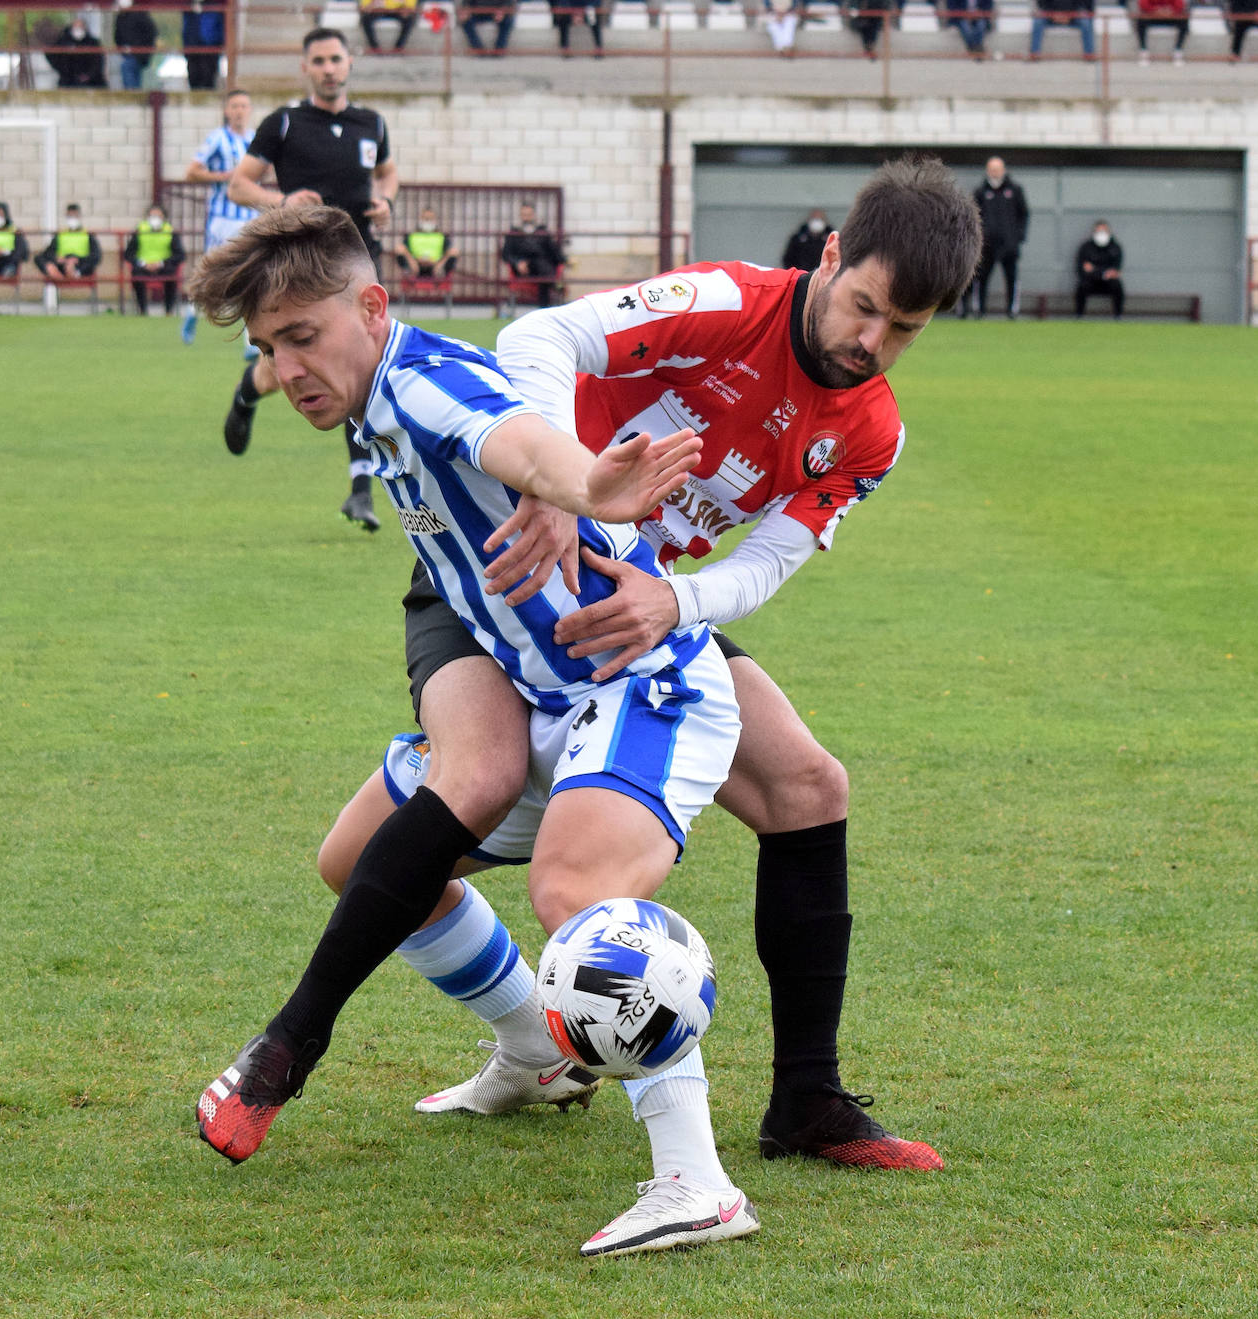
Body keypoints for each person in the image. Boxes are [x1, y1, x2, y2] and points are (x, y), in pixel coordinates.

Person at [298, 157, 982, 1181]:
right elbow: (536, 337)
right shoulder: (724, 303)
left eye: (906, 331)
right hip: (494, 563)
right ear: (830, 256)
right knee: (416, 825)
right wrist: (557, 481)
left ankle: (806, 1097)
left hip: (637, 608)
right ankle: (528, 1049)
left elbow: (770, 558)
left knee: (808, 787)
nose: (872, 344)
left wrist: (677, 600)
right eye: (865, 308)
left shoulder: (868, 429)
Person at [189, 203, 759, 1257]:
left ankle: (698, 1182)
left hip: (645, 689)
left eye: (304, 336)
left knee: (576, 897)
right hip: (552, 703)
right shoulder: (371, 407)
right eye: (268, 350)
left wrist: (588, 485)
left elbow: (516, 437)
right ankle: (532, 1050)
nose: (288, 368)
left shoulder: (418, 379)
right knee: (360, 860)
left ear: (371, 307)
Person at [221, 27, 399, 534]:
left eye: (335, 59)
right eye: (318, 60)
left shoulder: (373, 123)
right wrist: (281, 203)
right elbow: (239, 184)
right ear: (305, 68)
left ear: (349, 64)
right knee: (297, 366)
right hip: (299, 269)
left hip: (358, 265)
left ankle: (361, 490)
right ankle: (247, 393)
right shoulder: (284, 124)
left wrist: (387, 201)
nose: (328, 68)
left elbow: (388, 174)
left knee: (363, 364)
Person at [180, 89, 260, 345]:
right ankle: (192, 310)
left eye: (244, 106)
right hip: (222, 218)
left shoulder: (255, 141)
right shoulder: (217, 139)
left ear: (250, 110)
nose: (239, 111)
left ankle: (250, 341)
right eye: (235, 106)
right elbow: (192, 172)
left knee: (253, 272)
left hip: (249, 216)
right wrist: (224, 177)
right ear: (227, 111)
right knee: (213, 271)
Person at [961, 155, 1028, 319]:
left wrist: (1018, 236)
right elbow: (973, 217)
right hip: (987, 245)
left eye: (997, 169)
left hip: (1009, 244)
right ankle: (979, 310)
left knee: (1011, 278)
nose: (995, 172)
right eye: (992, 169)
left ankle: (1012, 311)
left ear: (1003, 170)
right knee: (980, 279)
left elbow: (1023, 214)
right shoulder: (980, 192)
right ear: (987, 171)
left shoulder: (1015, 190)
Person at [501, 201, 566, 308]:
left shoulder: (542, 232)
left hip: (542, 267)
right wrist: (517, 263)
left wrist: (564, 262)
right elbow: (506, 254)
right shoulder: (513, 233)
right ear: (520, 216)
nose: (526, 218)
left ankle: (544, 306)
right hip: (524, 269)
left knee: (542, 268)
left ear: (534, 215)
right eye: (524, 215)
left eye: (529, 215)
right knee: (543, 270)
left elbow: (554, 252)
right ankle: (554, 284)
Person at [123, 203, 185, 314]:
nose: (155, 219)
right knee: (137, 276)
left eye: (158, 216)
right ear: (147, 217)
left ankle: (168, 312)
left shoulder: (170, 231)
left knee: (171, 276)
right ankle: (142, 311)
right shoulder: (139, 231)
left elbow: (180, 255)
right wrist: (143, 263)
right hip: (143, 266)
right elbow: (129, 254)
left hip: (163, 266)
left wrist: (160, 263)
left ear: (164, 218)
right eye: (152, 216)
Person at [34, 202, 101, 282]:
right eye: (70, 216)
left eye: (74, 216)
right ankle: (55, 274)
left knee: (90, 262)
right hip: (62, 264)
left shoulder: (87, 235)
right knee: (39, 258)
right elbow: (48, 252)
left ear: (79, 217)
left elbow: (96, 255)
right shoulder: (61, 234)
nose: (72, 219)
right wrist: (57, 259)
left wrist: (77, 260)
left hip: (80, 264)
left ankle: (75, 273)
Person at [1074, 220, 1124, 318]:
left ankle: (1118, 316)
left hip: (1109, 283)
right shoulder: (1086, 247)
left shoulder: (1115, 247)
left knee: (1117, 285)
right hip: (1090, 281)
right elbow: (1082, 269)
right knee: (1082, 286)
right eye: (1099, 231)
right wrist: (1103, 272)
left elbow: (1115, 270)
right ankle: (1079, 316)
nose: (1101, 234)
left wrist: (1095, 270)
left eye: (1104, 231)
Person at [396, 206, 459, 280]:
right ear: (421, 219)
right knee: (399, 248)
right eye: (425, 218)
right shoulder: (412, 235)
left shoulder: (441, 236)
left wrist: (439, 264)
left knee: (454, 251)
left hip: (436, 266)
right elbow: (401, 248)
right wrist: (412, 262)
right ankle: (409, 272)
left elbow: (452, 251)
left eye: (430, 218)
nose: (428, 221)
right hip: (415, 266)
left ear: (435, 220)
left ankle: (441, 273)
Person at [45, 16, 108, 88]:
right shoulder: (64, 41)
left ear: (85, 28)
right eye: (76, 26)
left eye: (80, 26)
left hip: (92, 80)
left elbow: (98, 61)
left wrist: (89, 75)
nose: (78, 29)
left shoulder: (93, 42)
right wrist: (64, 71)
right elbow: (51, 53)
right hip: (69, 79)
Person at [1028, 0, 1096, 59]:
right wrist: (1054, 14)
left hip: (1074, 14)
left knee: (1085, 22)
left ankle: (1089, 53)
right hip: (1051, 14)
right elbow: (1042, 3)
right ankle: (1034, 53)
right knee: (1038, 22)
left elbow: (1084, 3)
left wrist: (1069, 14)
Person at [112, 0, 157, 90]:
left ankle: (132, 94)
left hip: (140, 54)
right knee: (132, 71)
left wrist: (140, 48)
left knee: (127, 67)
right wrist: (122, 48)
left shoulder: (140, 15)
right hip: (127, 54)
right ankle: (135, 93)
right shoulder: (121, 17)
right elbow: (117, 36)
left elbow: (151, 32)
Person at [181, 1, 225, 91]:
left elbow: (221, 28)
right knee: (193, 76)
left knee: (208, 77)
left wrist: (218, 43)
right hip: (193, 48)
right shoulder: (188, 7)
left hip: (210, 48)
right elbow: (185, 28)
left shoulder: (216, 7)